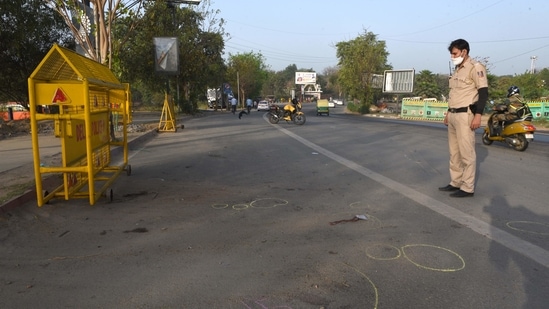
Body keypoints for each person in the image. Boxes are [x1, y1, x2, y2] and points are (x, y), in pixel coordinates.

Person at [439, 39, 488, 198]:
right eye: (451, 54)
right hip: (453, 114)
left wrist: (478, 115)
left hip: (465, 115)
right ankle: (456, 182)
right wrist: (448, 112)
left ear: (464, 52)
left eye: (455, 53)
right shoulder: (457, 70)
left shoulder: (475, 67)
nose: (452, 56)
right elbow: (454, 93)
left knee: (466, 153)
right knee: (454, 152)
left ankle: (467, 187)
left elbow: (483, 92)